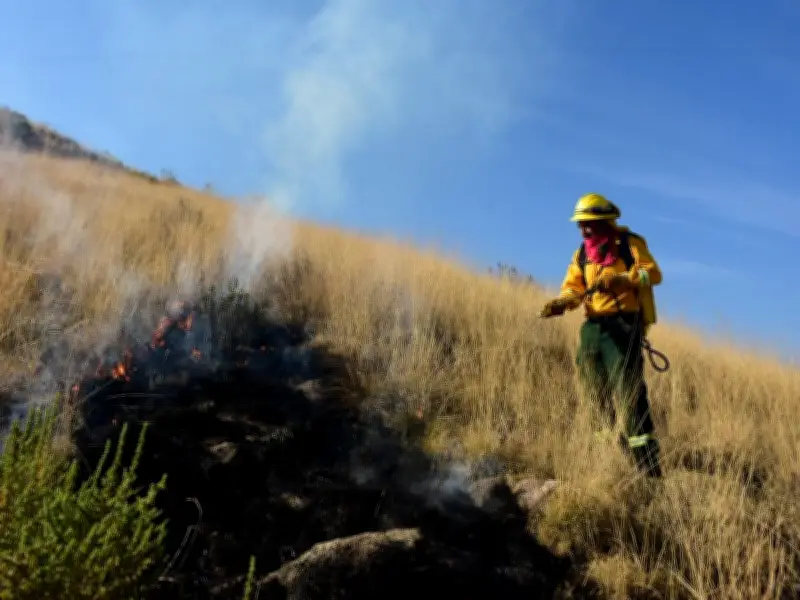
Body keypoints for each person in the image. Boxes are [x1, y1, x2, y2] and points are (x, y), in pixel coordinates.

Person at [539, 193, 663, 478]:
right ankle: (609, 460)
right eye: (581, 224)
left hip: (623, 325)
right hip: (592, 329)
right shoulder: (581, 254)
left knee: (628, 394)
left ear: (606, 222)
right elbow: (573, 288)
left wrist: (624, 279)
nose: (584, 230)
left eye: (589, 224)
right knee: (593, 394)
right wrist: (562, 302)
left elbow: (653, 274)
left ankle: (648, 470)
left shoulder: (630, 244)